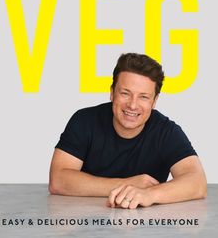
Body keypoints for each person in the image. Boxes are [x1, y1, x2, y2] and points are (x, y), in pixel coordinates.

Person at [49, 53, 207, 209]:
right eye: (125, 93)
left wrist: (149, 194)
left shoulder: (166, 131)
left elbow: (197, 182)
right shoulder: (84, 121)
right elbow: (58, 180)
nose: (132, 105)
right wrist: (127, 184)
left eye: (143, 97)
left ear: (154, 101)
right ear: (112, 92)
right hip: (86, 223)